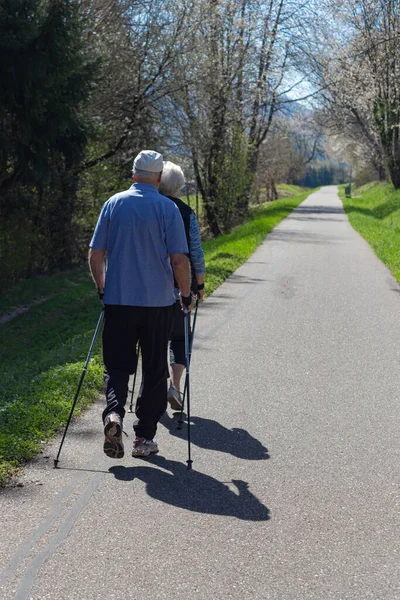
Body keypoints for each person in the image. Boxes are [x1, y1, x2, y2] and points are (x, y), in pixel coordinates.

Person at [88, 150, 193, 459]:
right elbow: (178, 259)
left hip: (119, 301)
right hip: (158, 303)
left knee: (118, 365)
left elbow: (95, 254)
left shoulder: (114, 204)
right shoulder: (167, 208)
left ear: (133, 174)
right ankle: (144, 438)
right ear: (159, 178)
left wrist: (102, 288)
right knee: (155, 368)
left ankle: (114, 416)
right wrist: (185, 294)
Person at [159, 161, 205, 410]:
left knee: (153, 341)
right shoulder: (187, 213)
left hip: (153, 289)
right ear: (179, 186)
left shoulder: (151, 209)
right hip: (180, 287)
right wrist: (199, 284)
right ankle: (174, 386)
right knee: (179, 338)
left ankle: (152, 388)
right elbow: (195, 252)